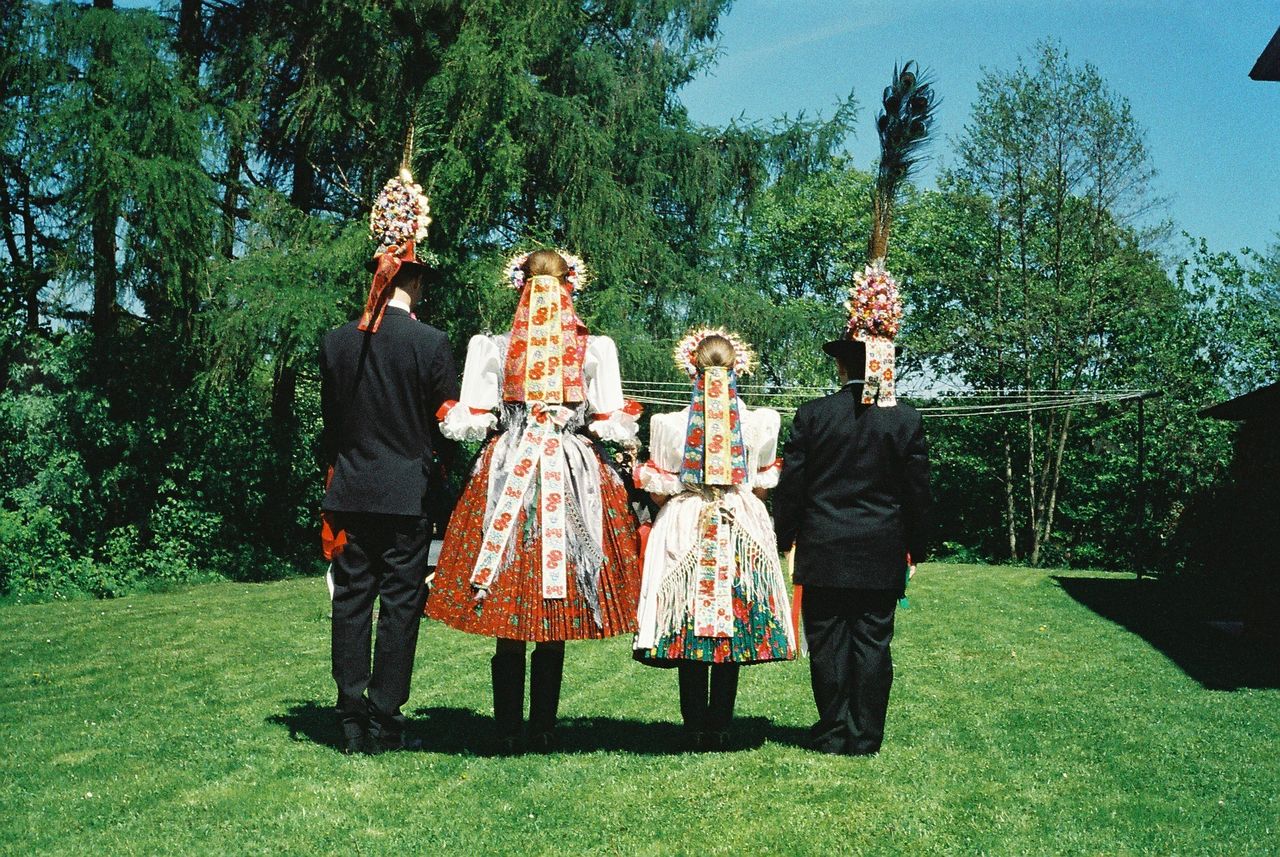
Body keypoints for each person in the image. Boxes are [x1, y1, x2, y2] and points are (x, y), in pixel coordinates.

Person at [427, 248, 642, 752]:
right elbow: (610, 418)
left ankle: (509, 728)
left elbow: (473, 416)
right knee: (555, 594)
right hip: (572, 470)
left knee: (507, 577)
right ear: (571, 286)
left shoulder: (495, 347)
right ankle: (541, 725)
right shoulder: (593, 348)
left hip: (508, 468)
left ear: (519, 285)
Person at [320, 170, 460, 755]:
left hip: (350, 490)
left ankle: (351, 718)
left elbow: (330, 425)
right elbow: (447, 430)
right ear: (416, 281)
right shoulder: (431, 344)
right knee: (401, 606)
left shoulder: (336, 341)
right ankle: (385, 720)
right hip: (407, 495)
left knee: (350, 602)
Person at [632, 328, 796, 750]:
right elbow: (761, 484)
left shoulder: (669, 424)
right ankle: (720, 722)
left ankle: (693, 724)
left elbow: (657, 489)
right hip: (739, 524)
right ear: (737, 368)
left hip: (687, 522)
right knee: (732, 624)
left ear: (692, 370)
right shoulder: (759, 421)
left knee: (688, 618)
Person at [773, 324, 931, 756]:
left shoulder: (812, 415)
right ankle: (864, 736)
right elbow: (918, 492)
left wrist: (784, 536)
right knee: (873, 643)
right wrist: (917, 547)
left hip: (823, 548)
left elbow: (793, 487)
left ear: (841, 364)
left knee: (827, 645)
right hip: (880, 551)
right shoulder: (906, 420)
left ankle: (831, 731)